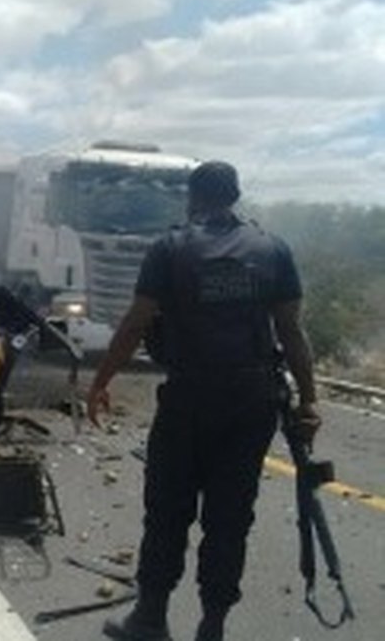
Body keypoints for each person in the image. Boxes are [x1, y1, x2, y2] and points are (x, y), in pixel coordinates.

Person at [86, 161, 321, 641]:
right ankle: (212, 627)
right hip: (251, 402)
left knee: (168, 509)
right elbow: (292, 332)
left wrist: (101, 380)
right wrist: (309, 401)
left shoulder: (170, 248)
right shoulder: (273, 249)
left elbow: (136, 322)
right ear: (236, 195)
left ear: (192, 198)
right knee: (231, 516)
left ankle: (150, 618)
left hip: (188, 400)